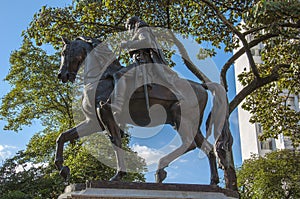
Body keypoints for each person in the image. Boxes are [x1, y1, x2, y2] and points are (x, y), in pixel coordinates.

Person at [111, 16, 184, 117]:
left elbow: (146, 42)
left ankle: (117, 106)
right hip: (139, 61)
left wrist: (128, 44)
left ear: (132, 24)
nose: (128, 30)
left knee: (120, 75)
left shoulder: (141, 29)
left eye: (128, 27)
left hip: (143, 62)